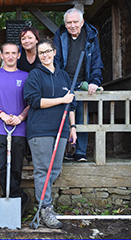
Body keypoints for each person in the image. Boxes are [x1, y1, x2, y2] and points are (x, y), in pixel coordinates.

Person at [24, 38, 77, 229]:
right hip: (40, 129)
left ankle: (45, 204)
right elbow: (34, 101)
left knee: (55, 170)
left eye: (48, 51)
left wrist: (73, 127)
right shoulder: (35, 75)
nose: (45, 55)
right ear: (38, 56)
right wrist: (61, 99)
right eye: (41, 53)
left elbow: (71, 105)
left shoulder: (64, 76)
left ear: (54, 52)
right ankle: (45, 208)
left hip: (61, 129)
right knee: (43, 169)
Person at [0, 42, 30, 216]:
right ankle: (20, 196)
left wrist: (21, 117)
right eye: (6, 53)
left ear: (19, 55)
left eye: (13, 53)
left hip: (19, 129)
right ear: (1, 55)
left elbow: (30, 103)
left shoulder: (26, 76)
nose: (10, 56)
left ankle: (12, 207)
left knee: (16, 170)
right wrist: (2, 115)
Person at [53, 8, 103, 162]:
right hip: (63, 82)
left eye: (75, 22)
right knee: (62, 116)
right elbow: (56, 60)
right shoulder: (60, 36)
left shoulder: (91, 36)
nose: (72, 25)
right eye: (69, 22)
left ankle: (80, 151)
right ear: (65, 23)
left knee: (81, 116)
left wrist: (94, 81)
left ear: (82, 22)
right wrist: (58, 80)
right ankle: (66, 151)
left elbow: (96, 61)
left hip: (82, 82)